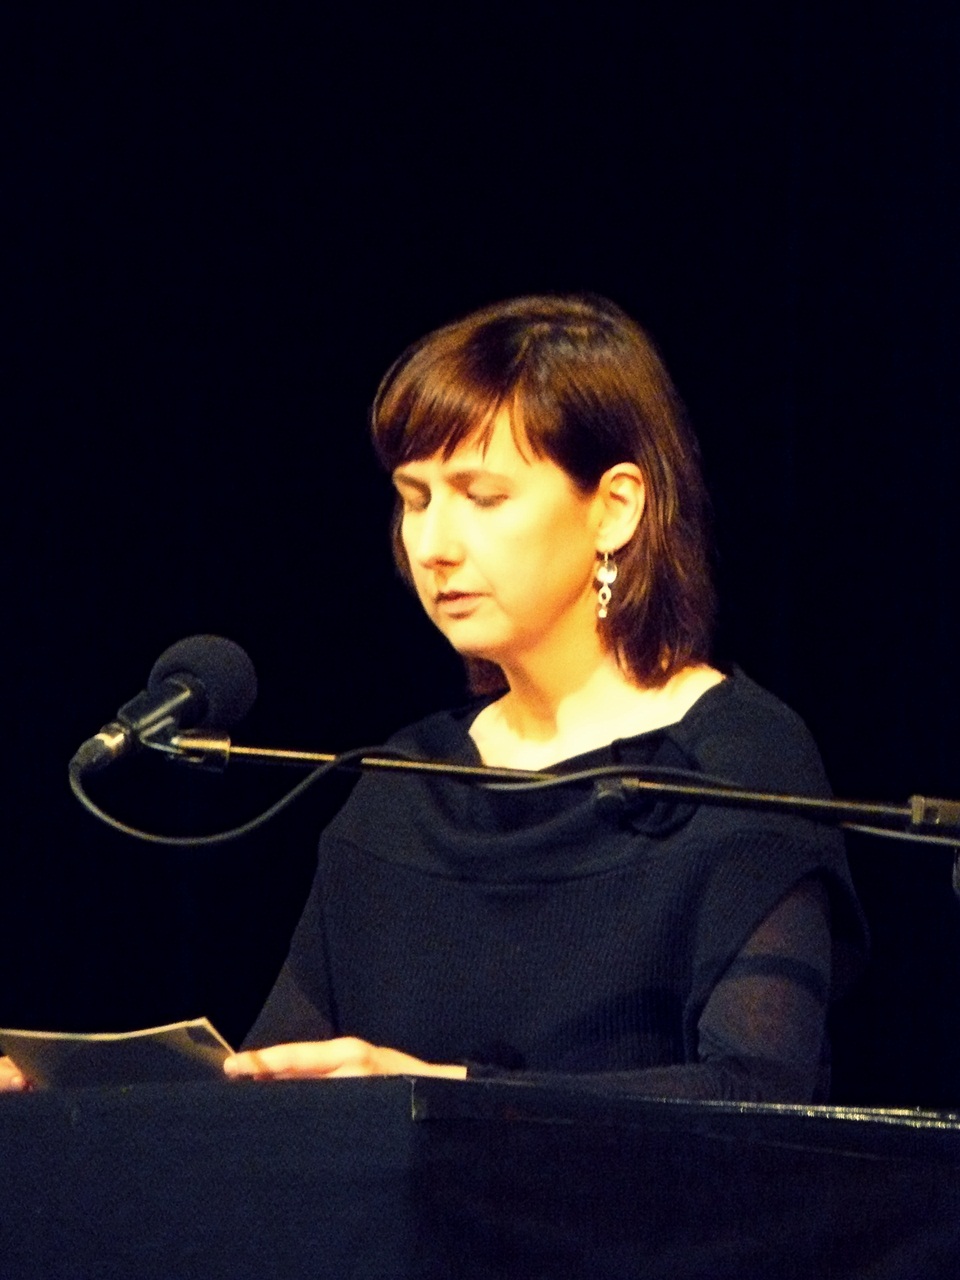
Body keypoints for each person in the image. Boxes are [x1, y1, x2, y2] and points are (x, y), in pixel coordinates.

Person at [0, 294, 865, 1099]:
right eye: (414, 499)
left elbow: (757, 1098)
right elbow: (270, 1097)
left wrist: (443, 1093)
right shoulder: (404, 789)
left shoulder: (739, 765)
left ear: (614, 509)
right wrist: (72, 1103)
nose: (434, 544)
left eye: (482, 498)